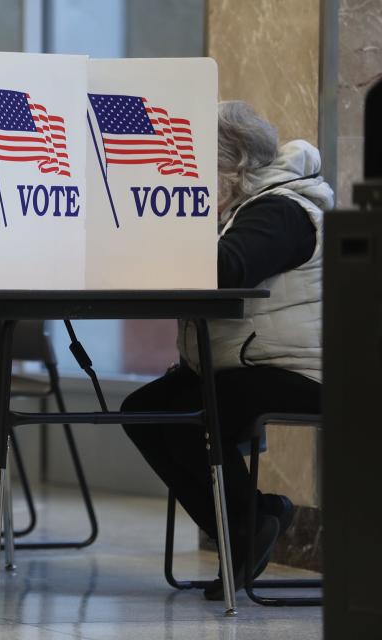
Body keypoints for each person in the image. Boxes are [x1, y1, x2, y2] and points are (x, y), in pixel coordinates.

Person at [121, 100, 333, 600]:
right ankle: (251, 519)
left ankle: (246, 525)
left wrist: (167, 222)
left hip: (307, 370)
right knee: (145, 411)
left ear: (232, 165)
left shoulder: (282, 210)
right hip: (251, 364)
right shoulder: (247, 208)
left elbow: (227, 269)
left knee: (200, 411)